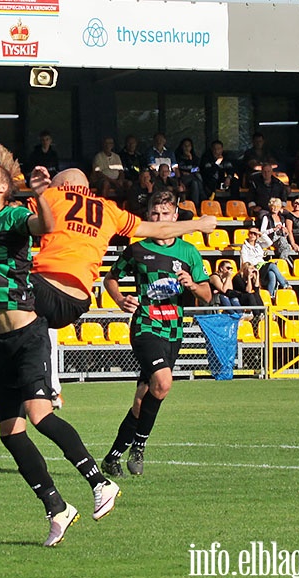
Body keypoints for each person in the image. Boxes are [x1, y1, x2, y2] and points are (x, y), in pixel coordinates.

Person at [0, 168, 218, 428]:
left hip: (43, 283)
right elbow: (160, 229)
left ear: (61, 185)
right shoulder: (108, 209)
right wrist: (200, 225)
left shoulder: (54, 197)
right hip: (76, 301)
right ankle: (50, 389)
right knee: (34, 324)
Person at [0, 138, 119, 546]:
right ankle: (58, 509)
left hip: (27, 337)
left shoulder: (13, 216)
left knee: (40, 416)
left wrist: (42, 196)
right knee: (10, 433)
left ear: (3, 188)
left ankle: (100, 482)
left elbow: (43, 226)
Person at [100, 191, 212, 478]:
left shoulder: (189, 253)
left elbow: (207, 295)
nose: (160, 219)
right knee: (162, 383)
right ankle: (139, 446)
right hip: (146, 326)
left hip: (174, 329)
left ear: (175, 216)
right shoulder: (137, 250)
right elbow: (110, 277)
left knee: (143, 399)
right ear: (148, 217)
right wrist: (120, 298)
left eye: (165, 214)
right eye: (155, 214)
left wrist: (192, 286)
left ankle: (112, 457)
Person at [240, 227, 289, 295]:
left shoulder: (259, 245)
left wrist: (260, 233)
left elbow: (269, 242)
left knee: (271, 274)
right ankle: (284, 284)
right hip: (254, 267)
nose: (252, 235)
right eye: (251, 233)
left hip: (262, 266)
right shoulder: (245, 247)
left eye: (255, 234)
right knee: (272, 265)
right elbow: (245, 261)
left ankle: (270, 295)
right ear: (248, 234)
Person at [257, 197, 296, 266]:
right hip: (270, 238)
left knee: (285, 245)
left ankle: (280, 263)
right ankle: (281, 264)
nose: (275, 208)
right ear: (270, 207)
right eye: (273, 206)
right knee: (286, 247)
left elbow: (285, 234)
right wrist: (273, 229)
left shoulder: (282, 218)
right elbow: (262, 232)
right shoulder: (266, 217)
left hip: (280, 238)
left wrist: (285, 231)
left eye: (277, 207)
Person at [175, 138, 204, 203]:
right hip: (181, 179)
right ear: (181, 146)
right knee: (196, 179)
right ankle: (203, 197)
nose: (187, 148)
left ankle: (195, 205)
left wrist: (190, 159)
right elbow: (175, 170)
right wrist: (182, 172)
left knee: (195, 183)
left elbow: (196, 169)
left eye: (188, 146)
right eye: (185, 146)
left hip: (192, 178)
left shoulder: (195, 158)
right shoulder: (177, 157)